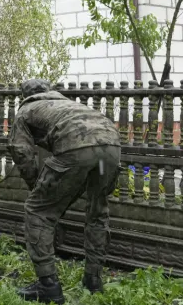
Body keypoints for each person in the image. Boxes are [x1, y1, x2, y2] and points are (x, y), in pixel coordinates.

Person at [7, 79, 122, 303]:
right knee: (98, 210)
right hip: (111, 147)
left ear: (25, 95)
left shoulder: (26, 109)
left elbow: (20, 150)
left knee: (37, 211)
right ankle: (93, 281)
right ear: (49, 91)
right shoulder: (67, 104)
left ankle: (48, 286)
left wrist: (35, 185)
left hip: (76, 147)